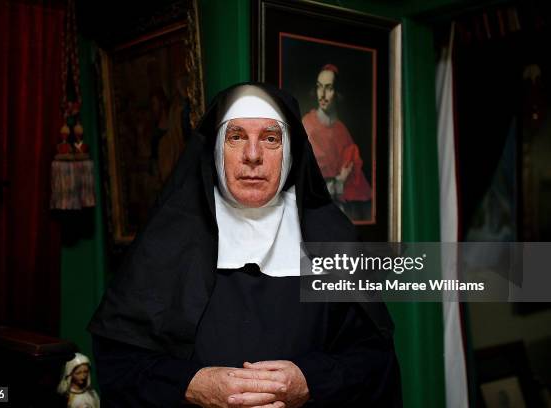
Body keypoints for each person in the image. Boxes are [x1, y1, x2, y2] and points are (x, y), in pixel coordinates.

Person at [88, 83, 401, 407]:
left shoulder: (333, 238)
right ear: (216, 149)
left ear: (291, 150)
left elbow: (374, 361)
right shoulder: (168, 238)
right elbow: (120, 363)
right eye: (236, 137)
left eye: (270, 138)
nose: (253, 156)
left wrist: (310, 380)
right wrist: (191, 385)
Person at [302, 64, 372, 221]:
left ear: (338, 92)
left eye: (329, 88)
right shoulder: (307, 125)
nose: (323, 94)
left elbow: (356, 181)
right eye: (319, 87)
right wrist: (339, 181)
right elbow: (306, 185)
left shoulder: (342, 130)